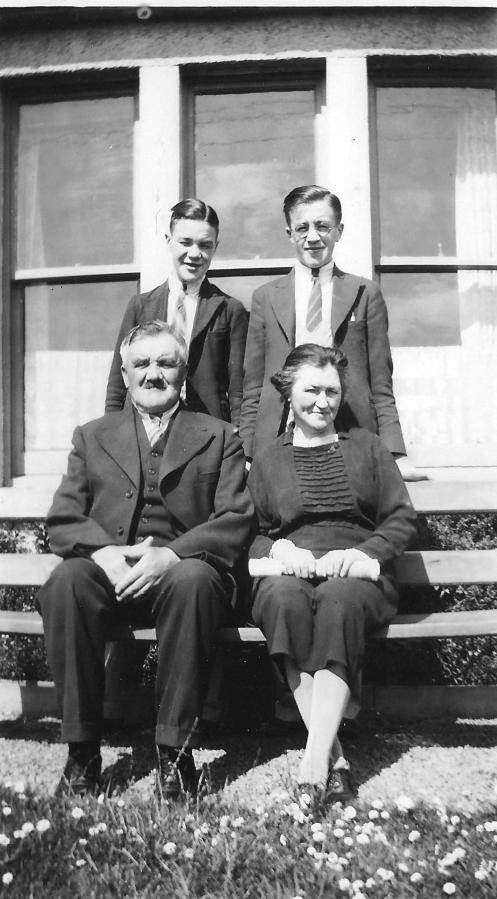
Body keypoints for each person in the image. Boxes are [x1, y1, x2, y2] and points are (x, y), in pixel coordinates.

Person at [37, 321, 254, 800]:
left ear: (183, 371)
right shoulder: (92, 436)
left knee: (194, 580)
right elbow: (63, 518)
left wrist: (172, 555)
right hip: (109, 576)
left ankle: (175, 754)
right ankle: (82, 753)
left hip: (182, 576)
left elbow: (236, 518)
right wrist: (102, 553)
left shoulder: (219, 436)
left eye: (166, 363)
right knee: (68, 582)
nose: (153, 374)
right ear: (125, 372)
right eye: (141, 364)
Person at [247, 344, 417, 798]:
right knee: (281, 599)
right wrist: (281, 548)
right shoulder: (268, 458)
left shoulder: (368, 447)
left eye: (332, 392)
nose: (323, 402)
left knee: (337, 601)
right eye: (312, 390)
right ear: (288, 392)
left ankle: (313, 761)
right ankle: (333, 756)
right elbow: (252, 532)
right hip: (291, 573)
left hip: (357, 576)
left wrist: (364, 552)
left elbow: (400, 518)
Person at [240, 184, 424, 479]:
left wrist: (395, 453)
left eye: (322, 226)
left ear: (339, 231)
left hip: (349, 433)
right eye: (302, 228)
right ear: (289, 234)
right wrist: (246, 454)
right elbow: (253, 388)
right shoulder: (266, 297)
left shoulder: (364, 293)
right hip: (280, 437)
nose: (313, 237)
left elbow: (380, 384)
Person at [106, 198, 248, 429]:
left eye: (205, 245)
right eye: (185, 242)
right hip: (146, 430)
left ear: (215, 247)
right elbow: (117, 384)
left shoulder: (230, 310)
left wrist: (237, 440)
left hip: (207, 431)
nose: (195, 253)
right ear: (168, 241)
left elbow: (238, 391)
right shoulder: (140, 306)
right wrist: (111, 433)